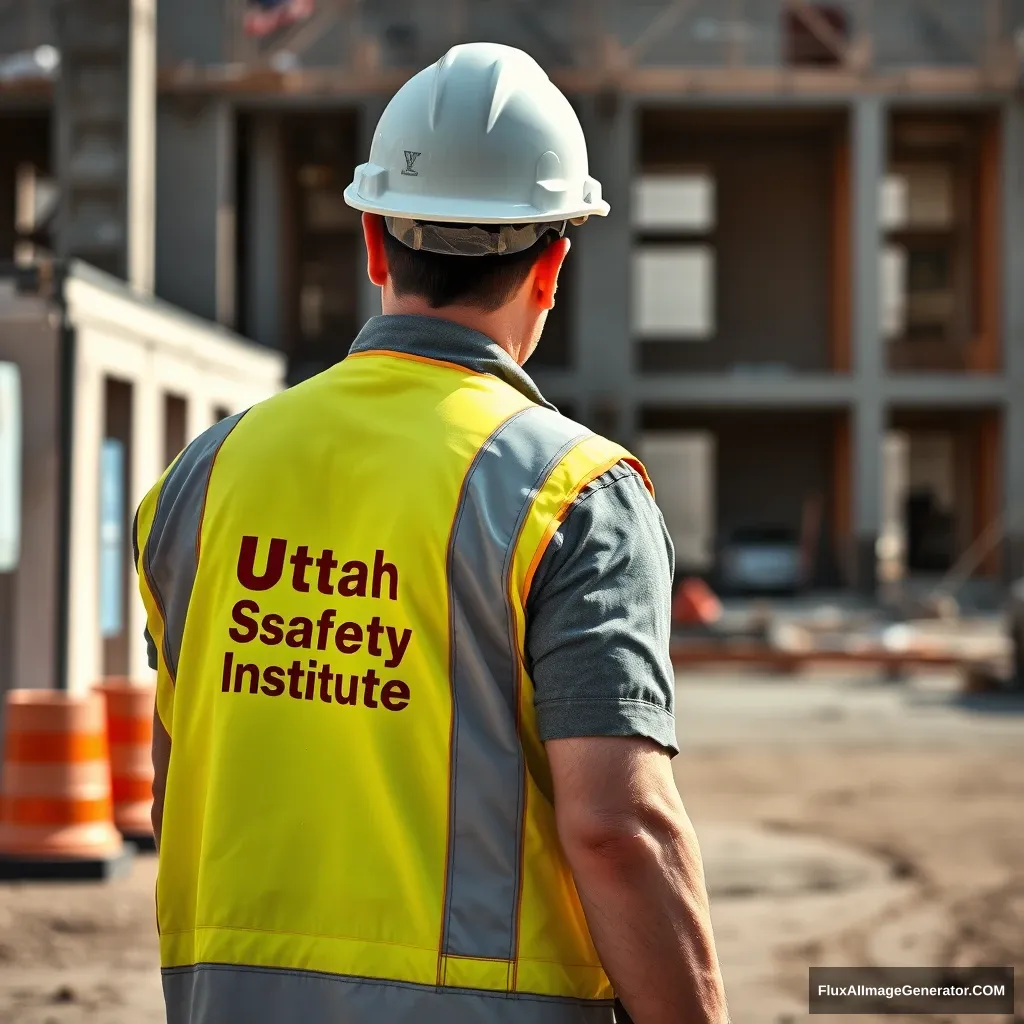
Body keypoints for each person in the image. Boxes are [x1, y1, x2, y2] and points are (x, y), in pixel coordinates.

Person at [135, 42, 729, 1024]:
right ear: (551, 264)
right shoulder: (574, 492)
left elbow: (178, 783)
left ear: (373, 245)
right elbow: (619, 826)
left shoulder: (205, 474)